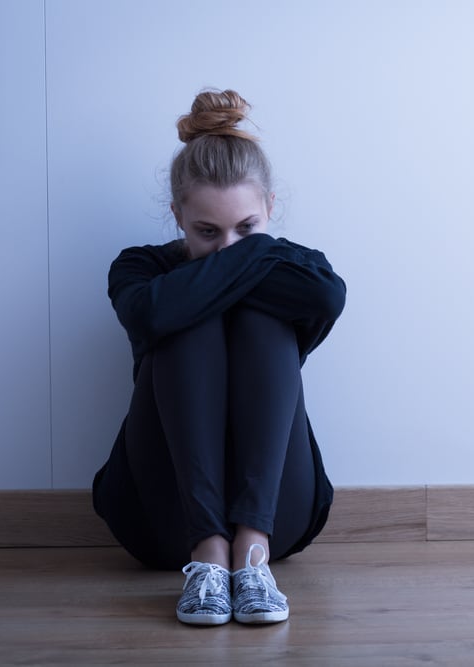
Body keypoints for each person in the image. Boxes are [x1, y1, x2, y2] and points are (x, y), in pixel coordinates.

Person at [92, 88, 345, 626]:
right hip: (161, 520)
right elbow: (150, 316)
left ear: (270, 209)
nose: (229, 247)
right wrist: (254, 257)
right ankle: (206, 554)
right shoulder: (139, 267)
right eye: (208, 232)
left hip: (280, 515)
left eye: (248, 230)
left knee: (254, 316)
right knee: (185, 316)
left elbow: (329, 297)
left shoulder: (304, 274)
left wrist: (217, 270)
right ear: (177, 214)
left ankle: (251, 554)